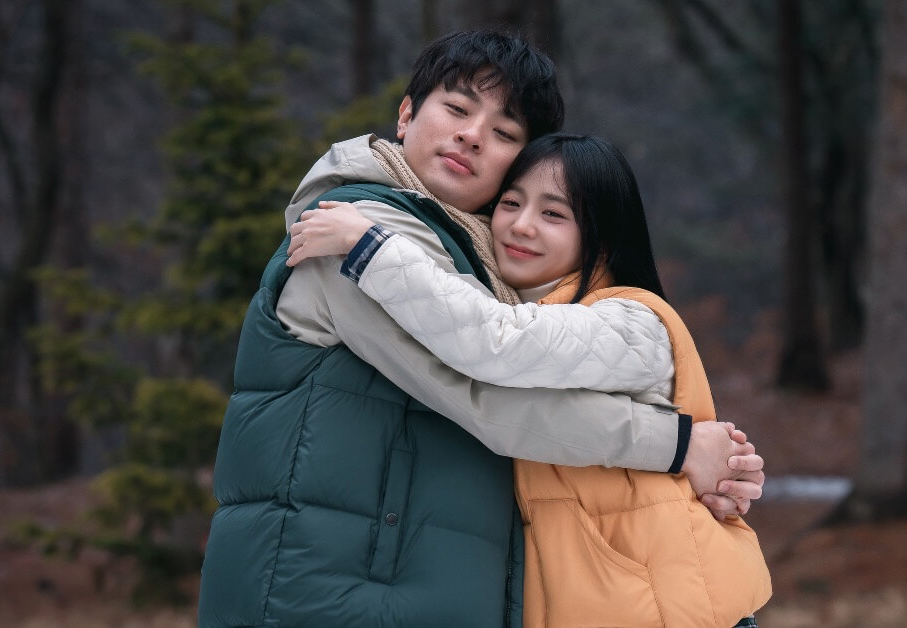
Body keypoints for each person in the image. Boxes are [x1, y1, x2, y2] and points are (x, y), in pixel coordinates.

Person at [198, 30, 764, 627]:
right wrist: (679, 446)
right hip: (325, 590)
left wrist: (713, 463)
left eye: (504, 133)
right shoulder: (356, 231)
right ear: (406, 114)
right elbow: (488, 398)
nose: (472, 135)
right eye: (457, 109)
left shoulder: (483, 264)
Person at [288, 133, 771, 626]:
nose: (521, 225)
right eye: (511, 203)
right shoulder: (529, 311)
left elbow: (496, 342)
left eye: (554, 214)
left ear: (602, 236)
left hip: (677, 611)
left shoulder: (631, 322)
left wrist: (373, 248)